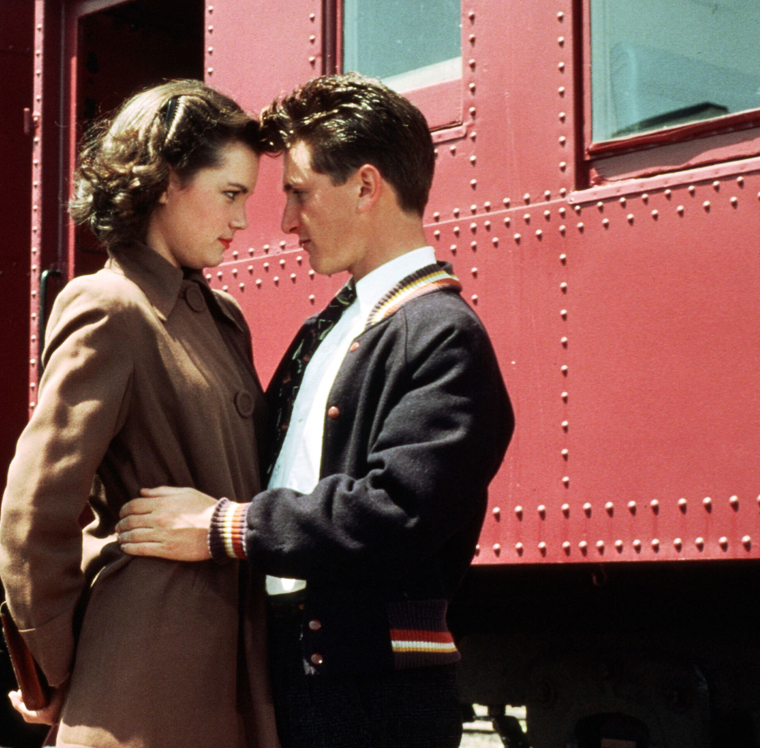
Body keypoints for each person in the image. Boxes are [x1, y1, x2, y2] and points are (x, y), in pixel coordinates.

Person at [115, 73, 515, 748]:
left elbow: (398, 512)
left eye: (298, 192)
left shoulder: (445, 335)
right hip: (298, 681)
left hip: (376, 704)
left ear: (365, 186)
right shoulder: (327, 329)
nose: (285, 221)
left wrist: (224, 526)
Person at [0, 79, 279, 748]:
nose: (241, 220)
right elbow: (34, 515)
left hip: (236, 666)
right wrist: (57, 673)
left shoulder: (223, 318)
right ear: (168, 181)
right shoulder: (108, 305)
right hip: (143, 680)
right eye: (230, 194)